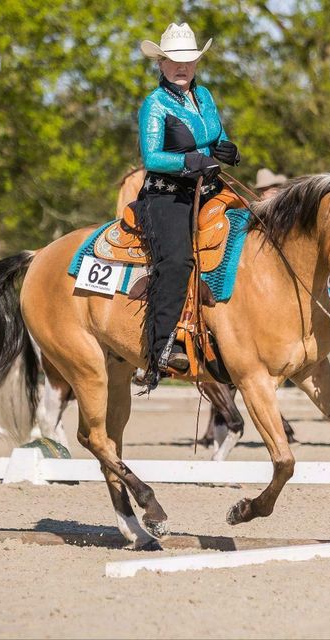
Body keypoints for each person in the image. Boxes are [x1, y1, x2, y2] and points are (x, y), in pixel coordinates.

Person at [136, 22, 241, 388]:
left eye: (189, 61)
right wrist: (190, 162)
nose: (182, 68)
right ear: (160, 63)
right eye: (174, 61)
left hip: (207, 189)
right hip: (167, 194)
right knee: (178, 260)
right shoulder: (154, 104)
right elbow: (151, 157)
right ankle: (160, 349)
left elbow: (217, 135)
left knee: (248, 232)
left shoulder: (206, 96)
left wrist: (226, 149)